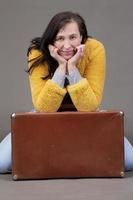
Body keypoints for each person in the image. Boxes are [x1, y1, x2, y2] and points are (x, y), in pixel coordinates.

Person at [0, 11, 133, 173]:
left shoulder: (95, 49)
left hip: (88, 118)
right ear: (51, 40)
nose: (67, 45)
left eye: (73, 37)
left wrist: (72, 68)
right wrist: (61, 68)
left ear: (82, 37)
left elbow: (90, 106)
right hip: (46, 119)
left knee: (129, 161)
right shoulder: (37, 52)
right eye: (60, 38)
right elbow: (44, 108)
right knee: (2, 163)